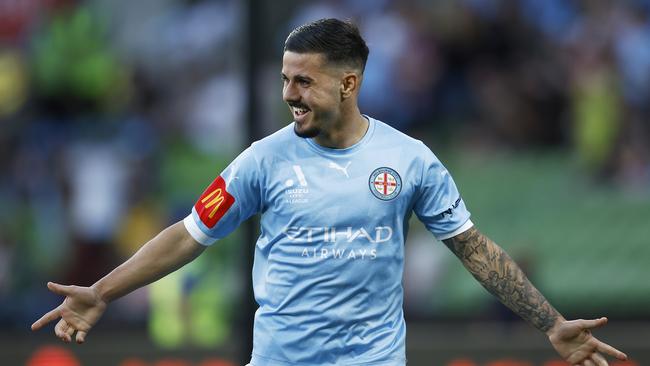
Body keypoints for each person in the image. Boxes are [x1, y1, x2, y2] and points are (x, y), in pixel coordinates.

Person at [32, 18, 628, 366]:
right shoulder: (261, 161)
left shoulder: (409, 160)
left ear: (349, 83)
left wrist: (549, 322)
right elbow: (191, 233)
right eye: (285, 78)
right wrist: (103, 291)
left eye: (304, 81)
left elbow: (472, 249)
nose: (290, 93)